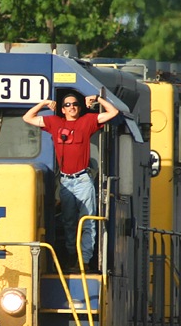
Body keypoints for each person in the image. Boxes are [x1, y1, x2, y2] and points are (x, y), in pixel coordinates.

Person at [23, 92, 119, 270]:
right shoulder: (54, 122)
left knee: (88, 221)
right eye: (67, 105)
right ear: (62, 109)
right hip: (66, 181)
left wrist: (98, 99)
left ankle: (85, 261)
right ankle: (71, 255)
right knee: (68, 223)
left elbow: (113, 112)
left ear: (80, 108)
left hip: (83, 180)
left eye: (75, 104)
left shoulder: (88, 121)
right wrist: (43, 103)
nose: (71, 107)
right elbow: (27, 117)